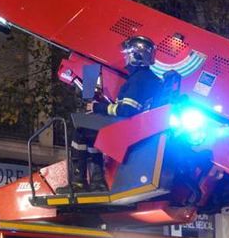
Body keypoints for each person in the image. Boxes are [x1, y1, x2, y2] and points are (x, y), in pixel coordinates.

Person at [69, 35, 163, 191]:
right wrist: (106, 106)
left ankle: (78, 182)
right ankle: (97, 182)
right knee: (93, 132)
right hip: (140, 130)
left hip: (129, 131)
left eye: (127, 54)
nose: (125, 57)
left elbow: (127, 110)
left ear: (136, 56)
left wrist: (98, 108)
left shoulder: (138, 79)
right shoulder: (151, 79)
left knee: (81, 130)